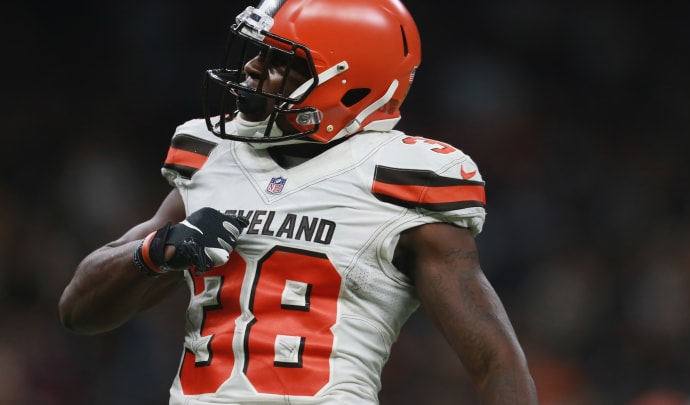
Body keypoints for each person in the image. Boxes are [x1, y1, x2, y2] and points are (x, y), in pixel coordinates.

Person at [58, 0, 538, 403]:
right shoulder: (213, 156)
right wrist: (155, 252)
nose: (252, 68)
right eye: (259, 51)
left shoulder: (405, 181)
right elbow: (78, 311)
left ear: (350, 84)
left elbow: (496, 363)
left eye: (280, 61)